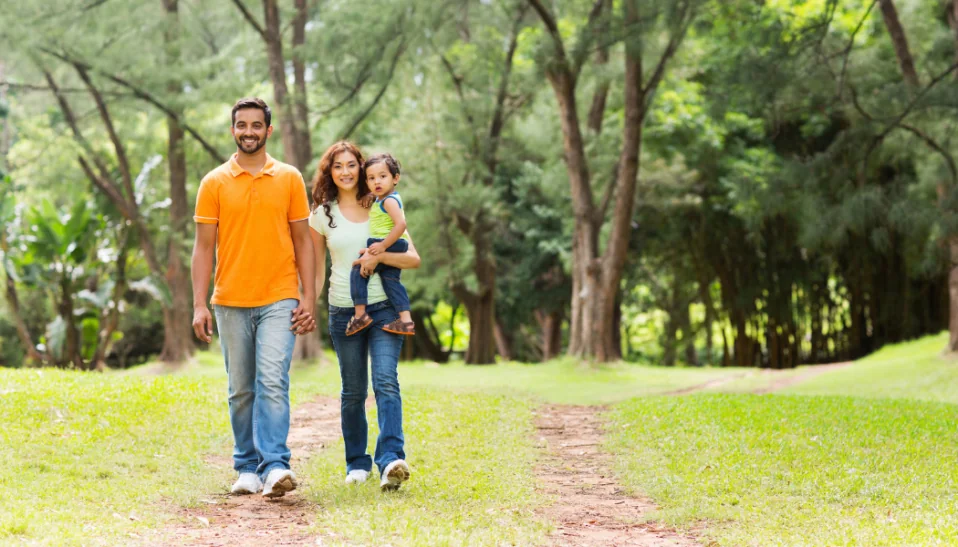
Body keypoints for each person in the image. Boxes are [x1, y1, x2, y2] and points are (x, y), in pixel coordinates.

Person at [191, 97, 316, 499]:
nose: (249, 132)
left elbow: (304, 241)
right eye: (241, 125)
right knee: (241, 387)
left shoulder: (290, 178)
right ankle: (246, 466)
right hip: (229, 299)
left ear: (268, 130)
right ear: (233, 130)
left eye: (256, 125)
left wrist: (308, 298)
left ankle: (276, 464)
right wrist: (199, 303)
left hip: (280, 296)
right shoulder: (214, 182)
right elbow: (202, 248)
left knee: (273, 380)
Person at [308, 141, 420, 491]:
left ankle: (390, 460)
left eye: (351, 165)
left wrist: (379, 258)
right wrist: (306, 306)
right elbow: (314, 271)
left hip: (385, 308)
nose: (345, 172)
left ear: (361, 167)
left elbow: (412, 258)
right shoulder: (321, 214)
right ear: (330, 171)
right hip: (344, 311)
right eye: (337, 166)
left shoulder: (380, 205)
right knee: (353, 391)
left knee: (385, 381)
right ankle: (357, 462)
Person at [346, 153, 415, 337]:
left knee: (358, 271)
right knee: (391, 281)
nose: (377, 181)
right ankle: (406, 320)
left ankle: (360, 315)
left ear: (395, 178)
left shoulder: (389, 201)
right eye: (371, 178)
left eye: (383, 176)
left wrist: (383, 246)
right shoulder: (382, 199)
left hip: (388, 242)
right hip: (390, 244)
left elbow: (401, 224)